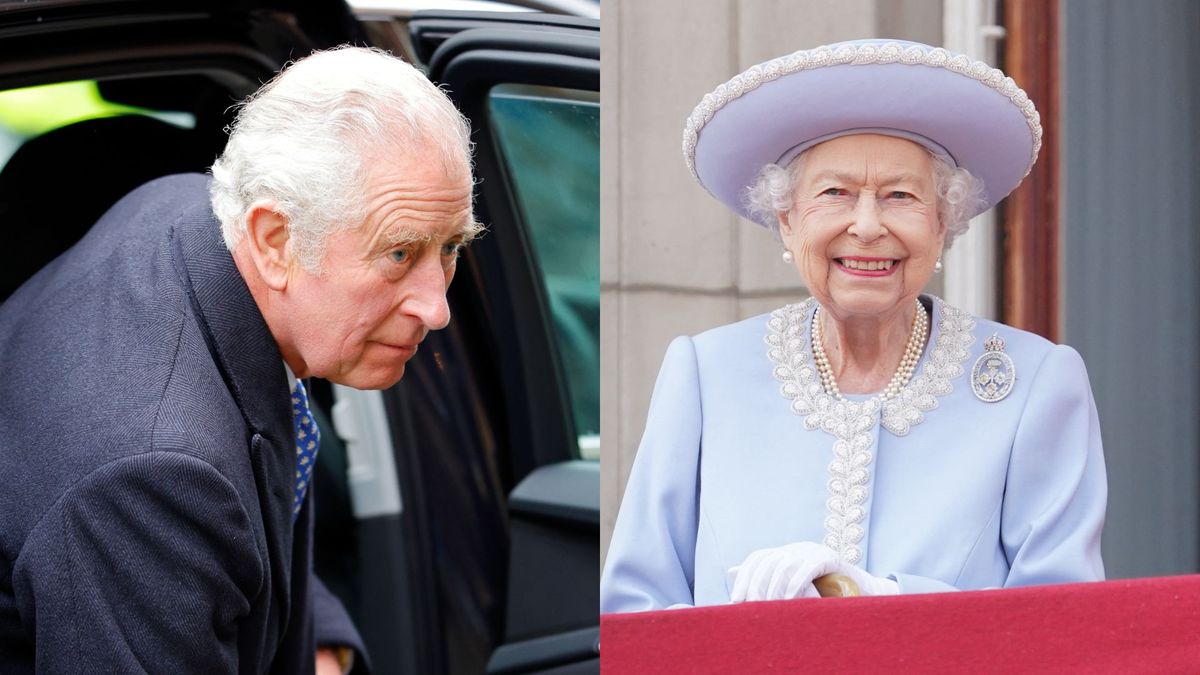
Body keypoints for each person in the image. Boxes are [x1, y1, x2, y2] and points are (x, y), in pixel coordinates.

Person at [0, 46, 479, 672]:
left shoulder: (186, 210)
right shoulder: (154, 478)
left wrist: (319, 640)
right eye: (398, 254)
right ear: (275, 240)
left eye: (450, 246)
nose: (436, 308)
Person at [601, 39, 1106, 612]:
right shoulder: (704, 374)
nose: (867, 226)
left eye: (900, 196)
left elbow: (1063, 621)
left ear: (943, 224)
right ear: (787, 222)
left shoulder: (1036, 383)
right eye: (835, 193)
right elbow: (634, 610)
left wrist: (885, 601)